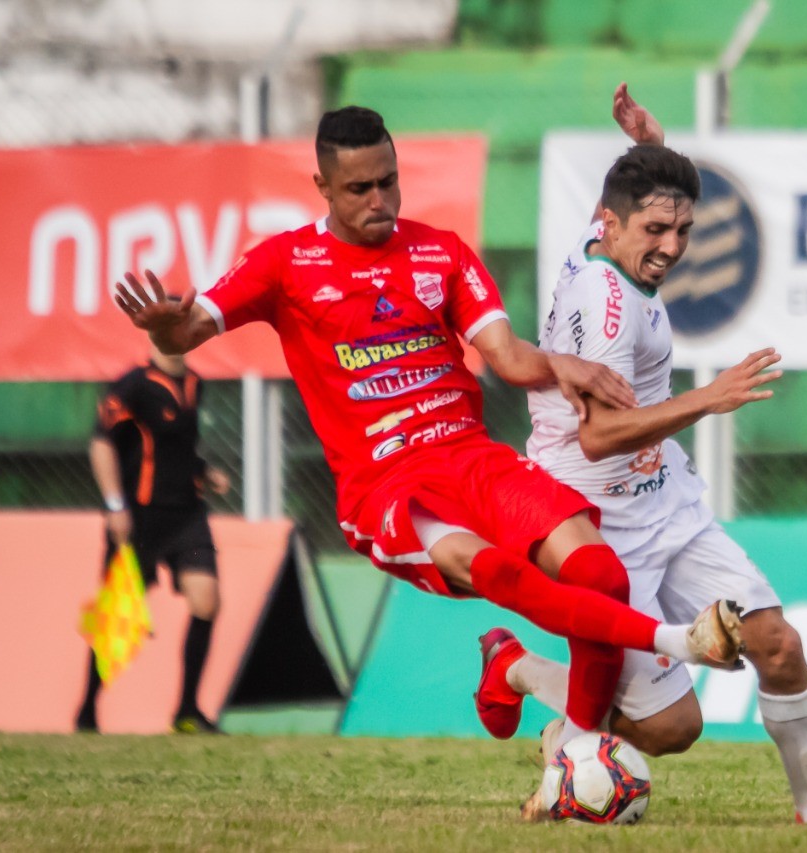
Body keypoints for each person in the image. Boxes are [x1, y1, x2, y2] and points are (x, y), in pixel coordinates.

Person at [110, 105, 746, 775]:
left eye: (389, 180)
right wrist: (163, 330)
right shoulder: (283, 263)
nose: (380, 200)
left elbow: (505, 357)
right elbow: (186, 334)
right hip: (387, 483)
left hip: (471, 457)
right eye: (360, 189)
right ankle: (673, 644)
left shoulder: (440, 251)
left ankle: (560, 731)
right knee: (494, 570)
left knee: (600, 573)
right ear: (323, 186)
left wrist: (561, 364)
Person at [474, 84, 807, 826]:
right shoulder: (608, 307)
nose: (672, 247)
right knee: (671, 729)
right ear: (613, 222)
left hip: (667, 504)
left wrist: (650, 141)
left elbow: (636, 196)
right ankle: (520, 671)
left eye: (683, 230)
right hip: (597, 526)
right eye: (657, 229)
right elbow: (596, 435)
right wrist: (707, 398)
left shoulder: (608, 243)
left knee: (777, 644)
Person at [76, 338, 231, 734]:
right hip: (138, 519)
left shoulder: (196, 382)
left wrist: (203, 471)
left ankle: (187, 711)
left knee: (206, 599)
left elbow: (177, 447)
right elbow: (101, 444)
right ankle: (87, 711)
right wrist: (114, 505)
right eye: (169, 326)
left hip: (187, 515)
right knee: (117, 618)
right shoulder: (132, 386)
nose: (179, 335)